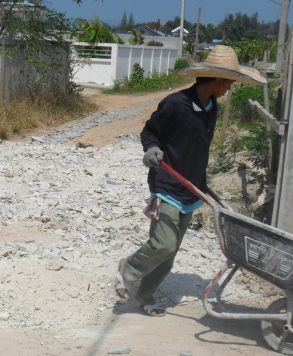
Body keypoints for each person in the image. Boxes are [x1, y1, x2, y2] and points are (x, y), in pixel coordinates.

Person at [113, 45, 266, 317]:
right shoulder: (176, 104)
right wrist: (151, 149)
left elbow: (198, 147)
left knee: (169, 255)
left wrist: (201, 181)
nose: (230, 87)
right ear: (217, 78)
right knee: (163, 244)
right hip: (167, 183)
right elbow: (150, 131)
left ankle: (146, 295)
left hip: (191, 186)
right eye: (229, 81)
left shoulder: (211, 108)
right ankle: (128, 269)